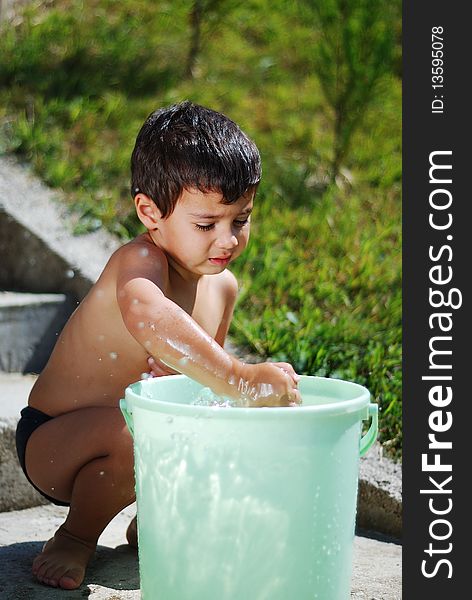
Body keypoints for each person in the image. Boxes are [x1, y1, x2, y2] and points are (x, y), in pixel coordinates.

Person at [15, 100, 301, 590]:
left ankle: (153, 523)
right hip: (56, 442)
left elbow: (199, 383)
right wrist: (241, 378)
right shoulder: (140, 260)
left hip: (136, 436)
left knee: (218, 427)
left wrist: (209, 391)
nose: (228, 239)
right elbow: (149, 315)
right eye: (206, 224)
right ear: (150, 212)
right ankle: (76, 537)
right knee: (141, 434)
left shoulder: (223, 288)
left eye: (241, 219)